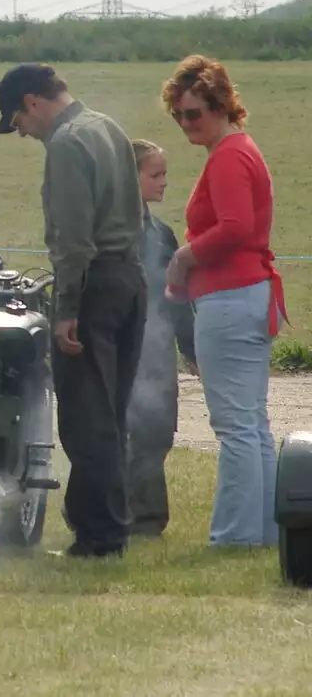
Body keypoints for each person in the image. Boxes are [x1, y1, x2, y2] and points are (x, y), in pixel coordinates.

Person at [0, 64, 145, 558]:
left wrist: (67, 308)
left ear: (33, 102)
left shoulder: (65, 144)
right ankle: (112, 529)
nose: (21, 131)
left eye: (17, 120)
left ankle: (98, 538)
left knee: (85, 417)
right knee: (112, 412)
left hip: (92, 285)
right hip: (128, 277)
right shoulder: (108, 127)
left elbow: (74, 240)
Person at [160, 55, 287, 549]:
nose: (187, 123)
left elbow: (234, 228)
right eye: (178, 116)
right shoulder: (238, 149)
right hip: (247, 293)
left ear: (221, 105)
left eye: (194, 113)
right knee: (251, 423)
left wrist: (185, 256)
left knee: (235, 425)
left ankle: (235, 537)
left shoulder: (230, 155)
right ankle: (267, 531)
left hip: (230, 298)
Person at [125, 138, 197, 538]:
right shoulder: (108, 233)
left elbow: (176, 298)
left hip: (157, 351)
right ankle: (106, 511)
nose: (164, 182)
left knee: (156, 431)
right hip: (120, 345)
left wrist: (189, 347)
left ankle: (148, 520)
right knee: (116, 433)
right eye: (155, 175)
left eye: (164, 173)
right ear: (127, 177)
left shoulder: (163, 235)